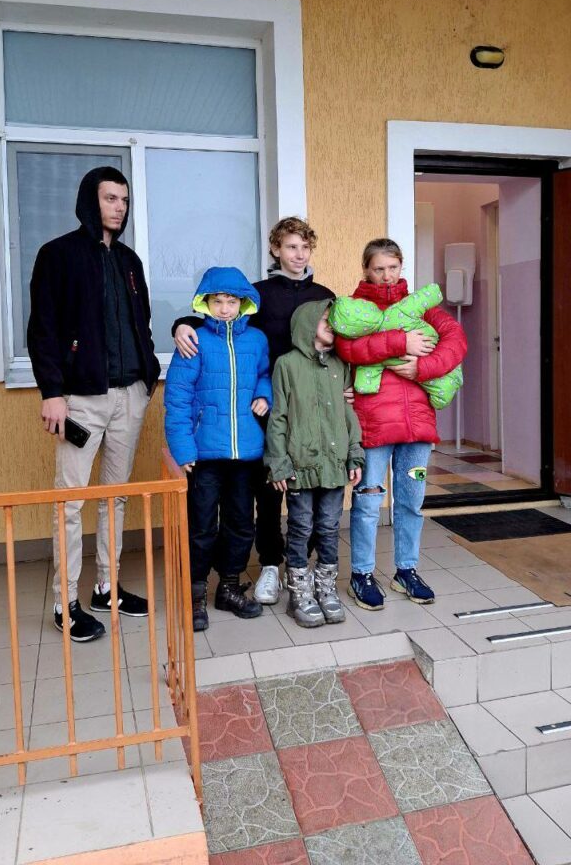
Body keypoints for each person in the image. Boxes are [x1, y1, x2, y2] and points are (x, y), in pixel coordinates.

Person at [171, 217, 335, 606]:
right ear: (276, 249)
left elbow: (340, 340)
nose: (299, 254)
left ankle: (302, 565)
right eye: (291, 246)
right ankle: (269, 565)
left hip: (308, 407)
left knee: (313, 488)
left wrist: (346, 384)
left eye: (305, 247)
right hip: (259, 413)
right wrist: (180, 324)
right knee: (267, 493)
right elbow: (219, 324)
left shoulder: (325, 295)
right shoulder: (257, 294)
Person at [27, 167, 160, 642]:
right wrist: (52, 392)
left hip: (130, 396)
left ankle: (106, 588)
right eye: (110, 198)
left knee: (114, 497)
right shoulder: (58, 254)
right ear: (90, 199)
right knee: (69, 502)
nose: (119, 207)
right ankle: (65, 603)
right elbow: (43, 329)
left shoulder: (129, 260)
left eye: (124, 199)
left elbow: (141, 323)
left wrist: (146, 377)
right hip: (80, 400)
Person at [334, 238, 467, 609]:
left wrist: (422, 366)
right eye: (379, 268)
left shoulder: (423, 307)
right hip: (374, 426)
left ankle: (406, 570)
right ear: (366, 270)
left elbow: (456, 340)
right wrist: (401, 341)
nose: (386, 275)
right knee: (367, 502)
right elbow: (349, 348)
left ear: (401, 267)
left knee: (411, 502)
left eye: (392, 267)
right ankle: (361, 574)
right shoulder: (356, 309)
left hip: (418, 429)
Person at [164, 266, 272, 632]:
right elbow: (177, 397)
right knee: (201, 526)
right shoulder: (193, 340)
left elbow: (264, 374)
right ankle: (195, 594)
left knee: (240, 524)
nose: (225, 308)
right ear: (205, 304)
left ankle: (228, 587)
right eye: (218, 301)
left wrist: (264, 395)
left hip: (246, 453)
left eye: (231, 302)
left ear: (243, 304)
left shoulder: (256, 339)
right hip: (204, 456)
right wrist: (183, 449)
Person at [265, 300, 364, 627]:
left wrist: (355, 453)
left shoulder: (340, 365)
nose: (331, 326)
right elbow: (278, 418)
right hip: (300, 465)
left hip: (334, 464)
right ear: (307, 324)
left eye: (333, 321)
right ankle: (299, 592)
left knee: (329, 527)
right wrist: (278, 462)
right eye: (325, 320)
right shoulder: (287, 365)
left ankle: (325, 588)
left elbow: (347, 413)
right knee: (301, 528)